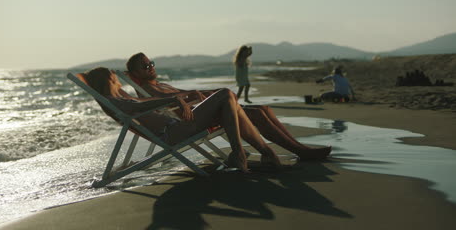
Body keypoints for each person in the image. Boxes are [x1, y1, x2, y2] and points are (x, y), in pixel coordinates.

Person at [125, 52, 332, 161]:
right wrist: (190, 95)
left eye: (151, 62)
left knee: (262, 110)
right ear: (137, 74)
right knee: (254, 113)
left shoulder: (159, 84)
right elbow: (171, 102)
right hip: (191, 121)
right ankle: (298, 152)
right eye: (145, 66)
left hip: (200, 112)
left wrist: (203, 93)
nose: (151, 67)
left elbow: (184, 96)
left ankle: (300, 148)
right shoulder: (147, 89)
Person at [84, 67, 283, 173]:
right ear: (109, 79)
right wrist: (174, 99)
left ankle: (263, 154)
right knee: (225, 94)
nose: (116, 77)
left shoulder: (121, 98)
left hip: (179, 127)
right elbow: (140, 107)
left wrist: (180, 98)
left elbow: (149, 101)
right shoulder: (114, 101)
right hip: (174, 132)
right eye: (113, 74)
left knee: (229, 102)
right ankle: (244, 154)